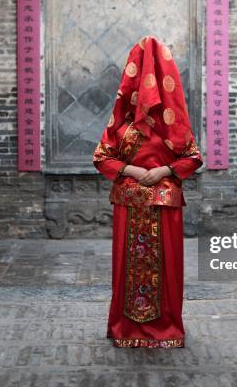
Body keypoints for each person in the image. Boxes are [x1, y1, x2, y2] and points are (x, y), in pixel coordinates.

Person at [92, 36, 203, 348]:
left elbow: (193, 158)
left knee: (166, 271)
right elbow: (101, 157)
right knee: (127, 270)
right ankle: (126, 329)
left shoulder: (173, 126)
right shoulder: (122, 126)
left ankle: (167, 329)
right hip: (129, 209)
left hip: (164, 209)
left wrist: (165, 171)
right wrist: (133, 170)